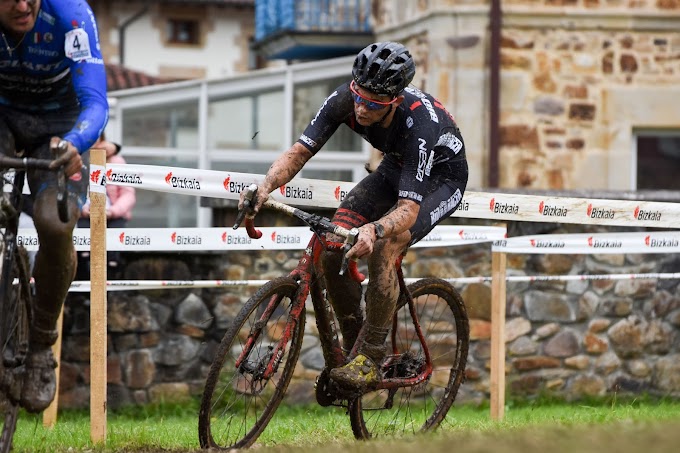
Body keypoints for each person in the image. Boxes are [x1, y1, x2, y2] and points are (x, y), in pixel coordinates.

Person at [241, 42, 468, 390]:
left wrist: (374, 230)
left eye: (374, 104)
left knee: (386, 246)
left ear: (394, 101)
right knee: (332, 245)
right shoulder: (345, 100)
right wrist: (264, 187)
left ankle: (371, 356)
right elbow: (300, 152)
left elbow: (408, 210)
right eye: (358, 95)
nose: (362, 108)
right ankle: (353, 343)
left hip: (441, 178)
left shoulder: (418, 124)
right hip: (395, 165)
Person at [0, 0, 108, 412]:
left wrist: (78, 142)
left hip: (61, 124)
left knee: (56, 222)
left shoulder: (70, 15)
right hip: (3, 119)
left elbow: (96, 98)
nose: (23, 5)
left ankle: (42, 342)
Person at [77, 135, 136, 277]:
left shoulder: (118, 163)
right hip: (85, 214)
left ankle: (112, 270)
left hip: (113, 215)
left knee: (113, 247)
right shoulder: (78, 162)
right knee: (84, 251)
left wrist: (113, 211)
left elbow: (128, 194)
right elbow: (74, 189)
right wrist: (83, 208)